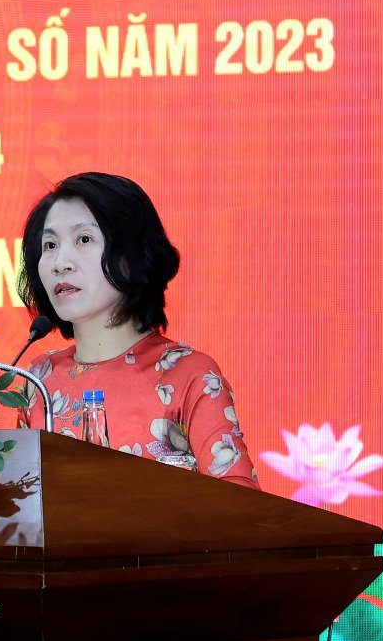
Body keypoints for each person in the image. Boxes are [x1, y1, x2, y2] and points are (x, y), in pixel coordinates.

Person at [16, 172, 260, 489]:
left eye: (84, 239)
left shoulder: (188, 375)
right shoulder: (39, 379)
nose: (60, 263)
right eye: (49, 245)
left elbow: (242, 504)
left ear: (131, 255)